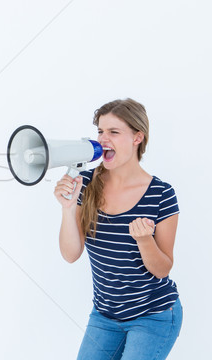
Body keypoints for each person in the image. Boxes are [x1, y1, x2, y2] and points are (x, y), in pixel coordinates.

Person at [54, 98, 182, 360]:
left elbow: (163, 268)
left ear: (138, 137)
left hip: (153, 316)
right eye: (100, 131)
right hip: (104, 316)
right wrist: (67, 209)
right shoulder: (86, 184)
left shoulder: (161, 194)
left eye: (114, 132)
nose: (103, 138)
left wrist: (145, 240)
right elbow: (70, 254)